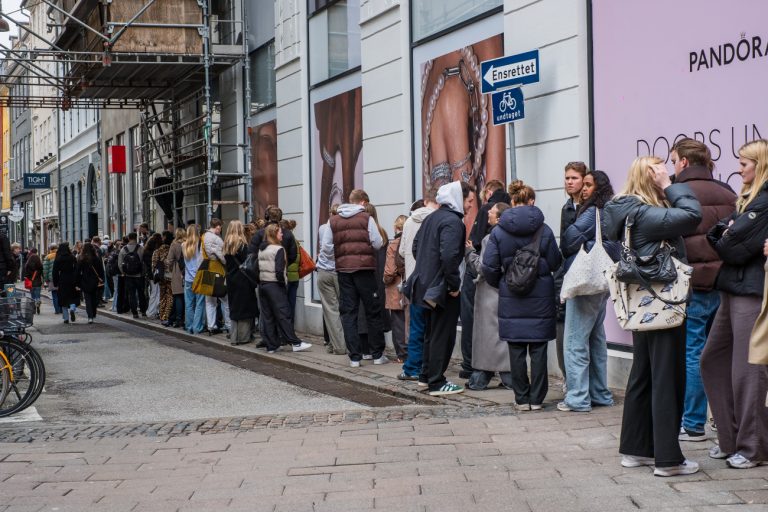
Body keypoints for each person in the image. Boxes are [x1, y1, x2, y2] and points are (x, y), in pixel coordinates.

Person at [603, 156, 702, 477]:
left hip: (644, 307)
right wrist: (670, 186)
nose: (666, 173)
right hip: (663, 304)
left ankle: (636, 449)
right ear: (650, 178)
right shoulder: (645, 213)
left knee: (643, 374)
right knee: (667, 377)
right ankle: (668, 459)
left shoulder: (627, 210)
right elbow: (692, 215)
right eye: (659, 170)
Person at [702, 139, 768, 469]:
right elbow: (722, 236)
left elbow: (733, 247)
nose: (738, 169)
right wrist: (725, 232)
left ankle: (753, 446)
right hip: (731, 287)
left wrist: (726, 233)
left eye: (744, 163)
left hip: (752, 291)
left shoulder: (764, 200)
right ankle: (731, 438)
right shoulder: (748, 200)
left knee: (748, 370)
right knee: (711, 359)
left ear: (760, 164)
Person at [669, 139, 737, 442]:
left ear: (684, 162)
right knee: (722, 354)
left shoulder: (676, 195)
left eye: (673, 160)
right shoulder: (727, 192)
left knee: (694, 352)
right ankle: (721, 420)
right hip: (723, 283)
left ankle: (693, 422)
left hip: (692, 285)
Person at [482, 181, 561, 410]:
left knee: (516, 349)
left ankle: (521, 399)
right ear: (531, 202)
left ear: (512, 202)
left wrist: (503, 282)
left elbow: (489, 266)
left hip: (512, 295)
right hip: (541, 296)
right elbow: (556, 261)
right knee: (538, 349)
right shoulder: (544, 230)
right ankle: (537, 399)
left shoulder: (498, 231)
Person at [558, 170, 619, 412]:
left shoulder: (592, 212)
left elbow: (568, 240)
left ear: (598, 188)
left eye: (588, 184)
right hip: (602, 281)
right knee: (596, 339)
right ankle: (600, 394)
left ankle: (577, 398)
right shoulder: (612, 211)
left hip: (585, 282)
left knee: (574, 341)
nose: (583, 189)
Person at [409, 181, 474, 396]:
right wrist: (454, 284)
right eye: (469, 201)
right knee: (442, 335)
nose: (470, 206)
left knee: (430, 332)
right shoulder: (453, 222)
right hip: (442, 287)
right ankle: (437, 381)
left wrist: (427, 268)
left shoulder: (431, 217)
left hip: (424, 284)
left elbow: (416, 246)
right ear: (459, 198)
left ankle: (426, 376)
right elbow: (449, 256)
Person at [322, 189, 386, 367]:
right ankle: (377, 354)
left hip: (344, 271)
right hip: (365, 270)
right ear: (363, 202)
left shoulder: (333, 220)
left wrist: (339, 255)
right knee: (372, 311)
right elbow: (378, 242)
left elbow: (326, 246)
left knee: (348, 313)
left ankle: (355, 357)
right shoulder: (367, 218)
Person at [465, 201, 514, 390]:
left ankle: (480, 378)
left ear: (500, 218)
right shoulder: (514, 236)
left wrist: (470, 253)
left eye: (492, 213)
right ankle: (508, 375)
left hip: (489, 292)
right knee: (502, 337)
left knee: (487, 337)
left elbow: (483, 268)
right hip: (506, 290)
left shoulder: (490, 238)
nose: (488, 216)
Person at [397, 191, 439, 382]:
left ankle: (412, 367)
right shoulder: (437, 220)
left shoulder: (409, 221)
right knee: (433, 329)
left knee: (415, 328)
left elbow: (402, 251)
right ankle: (428, 366)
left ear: (425, 201)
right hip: (432, 281)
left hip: (413, 281)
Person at [555, 161, 588, 389]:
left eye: (574, 178)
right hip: (569, 271)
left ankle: (584, 382)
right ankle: (570, 378)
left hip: (588, 272)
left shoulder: (590, 208)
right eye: (567, 178)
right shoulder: (566, 209)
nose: (569, 182)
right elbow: (564, 244)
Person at [258, 224, 312, 353]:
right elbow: (279, 270)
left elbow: (257, 267)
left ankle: (271, 345)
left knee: (268, 316)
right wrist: (283, 284)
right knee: (284, 314)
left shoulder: (262, 249)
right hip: (275, 285)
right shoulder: (278, 249)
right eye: (280, 233)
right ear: (274, 234)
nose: (282, 235)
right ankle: (295, 343)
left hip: (263, 284)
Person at [316, 204, 346, 355]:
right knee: (345, 308)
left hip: (324, 270)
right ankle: (347, 344)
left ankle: (337, 346)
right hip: (341, 271)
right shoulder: (344, 226)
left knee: (330, 310)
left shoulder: (323, 228)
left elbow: (325, 247)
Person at [224, 220, 259, 345]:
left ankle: (234, 337)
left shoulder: (226, 244)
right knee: (245, 307)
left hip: (231, 279)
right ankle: (244, 337)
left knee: (234, 307)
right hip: (243, 280)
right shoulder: (242, 245)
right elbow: (248, 263)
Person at [383, 215, 408, 362]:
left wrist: (385, 280)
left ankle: (402, 355)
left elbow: (389, 271)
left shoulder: (394, 244)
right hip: (409, 285)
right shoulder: (411, 241)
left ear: (396, 227)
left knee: (398, 323)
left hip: (396, 287)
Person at [202, 218, 230, 335]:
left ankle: (211, 326)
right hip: (217, 269)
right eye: (220, 227)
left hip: (207, 269)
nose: (220, 229)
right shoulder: (216, 239)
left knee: (210, 300)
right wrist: (226, 263)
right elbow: (222, 255)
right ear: (217, 226)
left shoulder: (203, 237)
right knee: (224, 298)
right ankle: (229, 325)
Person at [182, 225, 205, 334]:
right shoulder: (200, 244)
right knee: (199, 303)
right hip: (199, 277)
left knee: (189, 304)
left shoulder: (183, 245)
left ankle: (189, 326)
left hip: (188, 278)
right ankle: (197, 327)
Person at [119, 232, 147, 319]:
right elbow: (144, 262)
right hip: (139, 276)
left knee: (131, 294)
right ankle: (143, 312)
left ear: (128, 238)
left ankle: (134, 312)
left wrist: (124, 273)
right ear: (136, 237)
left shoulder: (123, 249)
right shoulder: (141, 248)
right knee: (141, 294)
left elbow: (120, 264)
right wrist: (143, 273)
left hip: (128, 276)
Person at [77, 243, 105, 324]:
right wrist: (102, 279)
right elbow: (101, 271)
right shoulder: (96, 258)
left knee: (88, 299)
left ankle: (90, 316)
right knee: (94, 298)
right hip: (95, 281)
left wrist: (77, 282)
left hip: (85, 281)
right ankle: (93, 312)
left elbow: (78, 271)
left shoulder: (81, 259)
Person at [52, 242, 80, 324]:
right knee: (73, 296)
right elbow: (77, 269)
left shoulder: (58, 258)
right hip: (72, 279)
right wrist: (77, 280)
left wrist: (56, 283)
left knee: (63, 299)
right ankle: (72, 308)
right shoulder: (72, 257)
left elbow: (55, 272)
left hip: (62, 279)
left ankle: (66, 318)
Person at [165, 228, 187, 328]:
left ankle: (178, 319)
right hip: (188, 270)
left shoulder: (174, 245)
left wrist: (169, 269)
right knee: (186, 296)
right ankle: (183, 318)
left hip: (177, 270)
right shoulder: (188, 243)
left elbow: (169, 260)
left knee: (178, 295)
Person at [153, 231, 174, 326]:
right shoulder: (171, 249)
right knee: (170, 296)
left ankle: (162, 315)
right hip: (170, 276)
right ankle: (167, 315)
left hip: (161, 277)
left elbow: (153, 264)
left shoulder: (157, 251)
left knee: (162, 296)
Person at [282, 219, 301, 322]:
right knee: (291, 304)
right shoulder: (296, 242)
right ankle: (290, 327)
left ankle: (285, 329)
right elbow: (297, 258)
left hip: (287, 276)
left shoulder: (284, 241)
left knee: (283, 304)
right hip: (295, 277)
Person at [144, 233, 163, 318]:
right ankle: (153, 311)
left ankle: (152, 311)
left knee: (153, 292)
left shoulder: (146, 252)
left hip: (150, 275)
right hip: (157, 275)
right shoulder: (156, 252)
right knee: (156, 292)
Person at [23, 248, 44, 314]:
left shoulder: (28, 264)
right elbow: (42, 272)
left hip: (31, 283)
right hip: (38, 282)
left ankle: (34, 308)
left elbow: (26, 273)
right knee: (38, 295)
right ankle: (38, 302)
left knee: (32, 296)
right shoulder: (39, 265)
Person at [42, 244, 60, 314]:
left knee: (54, 295)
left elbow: (45, 270)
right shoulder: (60, 255)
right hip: (60, 278)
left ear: (50, 249)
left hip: (51, 278)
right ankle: (61, 308)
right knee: (60, 294)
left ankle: (57, 310)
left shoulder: (48, 257)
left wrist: (46, 279)